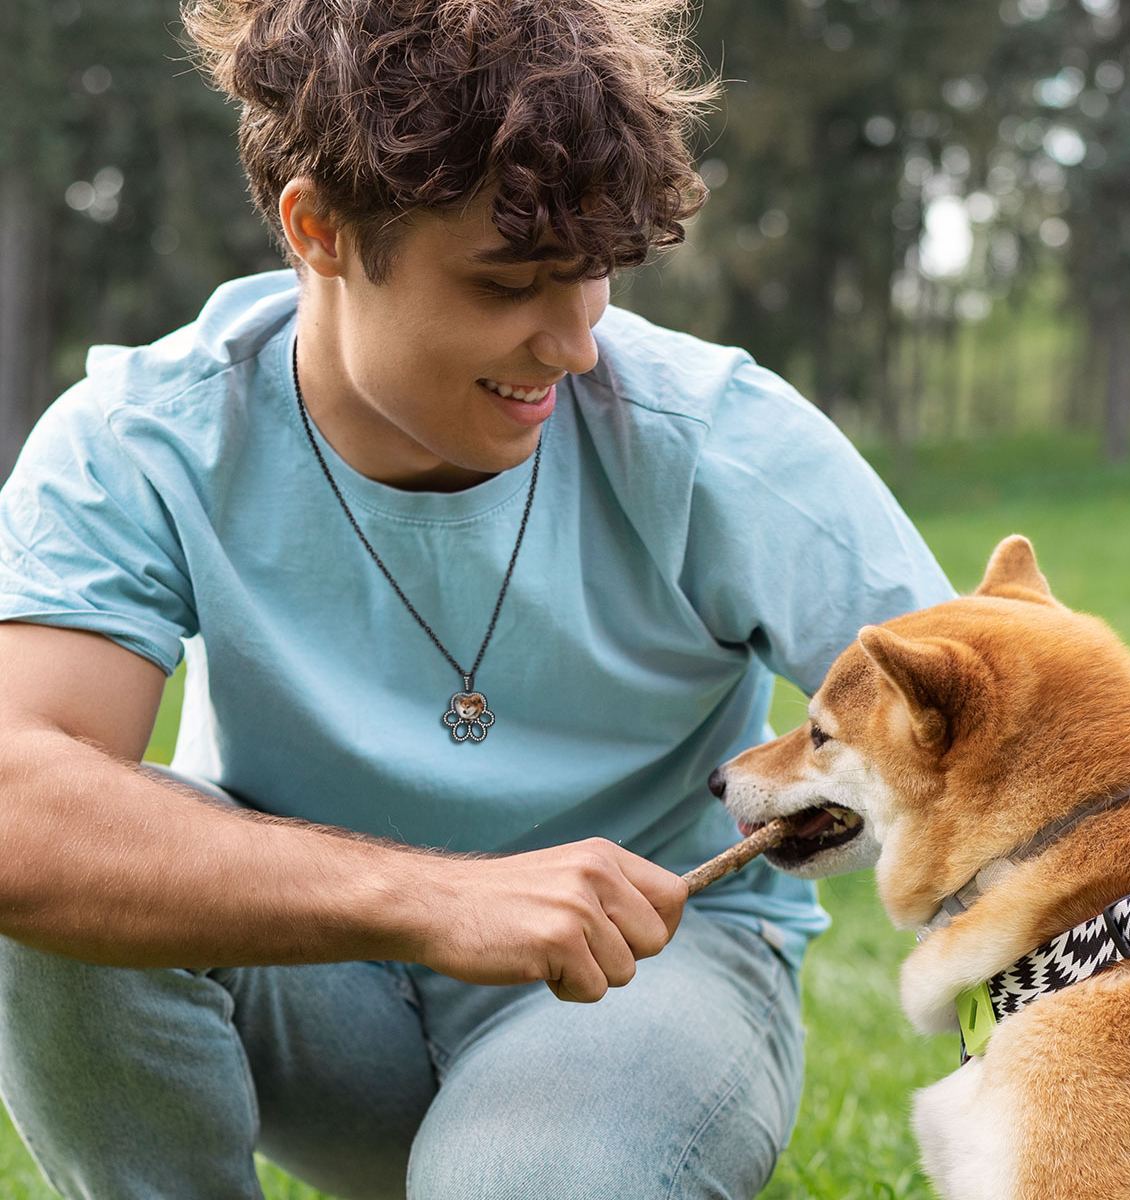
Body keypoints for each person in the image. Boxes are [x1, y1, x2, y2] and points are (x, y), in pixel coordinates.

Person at [0, 1, 954, 1197]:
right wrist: (430, 900)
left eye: (593, 275)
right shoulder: (145, 441)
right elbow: (15, 805)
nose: (574, 344)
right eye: (507, 283)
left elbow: (996, 729)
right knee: (56, 905)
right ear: (319, 230)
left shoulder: (713, 438)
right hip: (317, 982)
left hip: (650, 971)